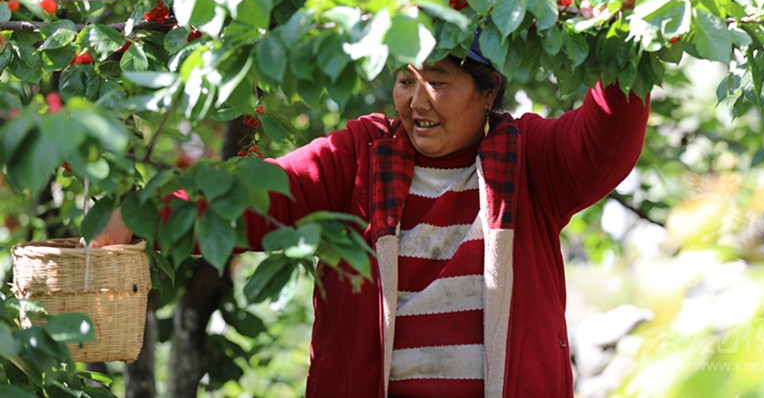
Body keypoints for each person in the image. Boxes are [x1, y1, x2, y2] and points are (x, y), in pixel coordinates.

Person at [94, 27, 650, 397]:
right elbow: (263, 194)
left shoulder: (530, 160)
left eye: (439, 81)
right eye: (406, 80)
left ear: (488, 93)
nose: (417, 100)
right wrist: (150, 213)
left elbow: (606, 139)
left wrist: (621, 35)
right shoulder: (360, 155)